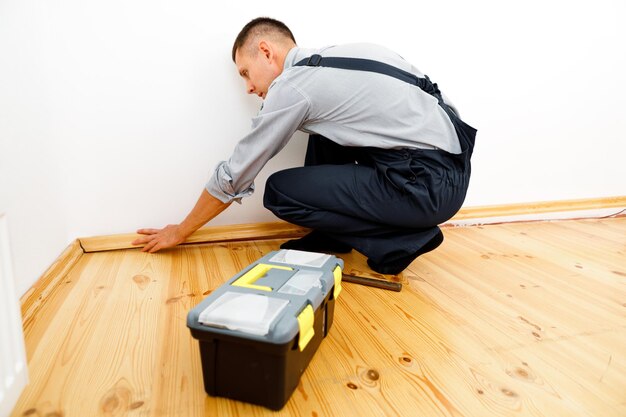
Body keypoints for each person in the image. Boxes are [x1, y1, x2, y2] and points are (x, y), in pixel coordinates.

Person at [132, 17, 476, 275]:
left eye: (246, 73)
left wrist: (180, 231)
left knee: (279, 192)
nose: (249, 88)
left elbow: (236, 174)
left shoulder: (294, 87)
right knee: (324, 130)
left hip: (424, 186)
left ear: (266, 51)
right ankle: (331, 238)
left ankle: (399, 242)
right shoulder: (343, 57)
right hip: (449, 172)